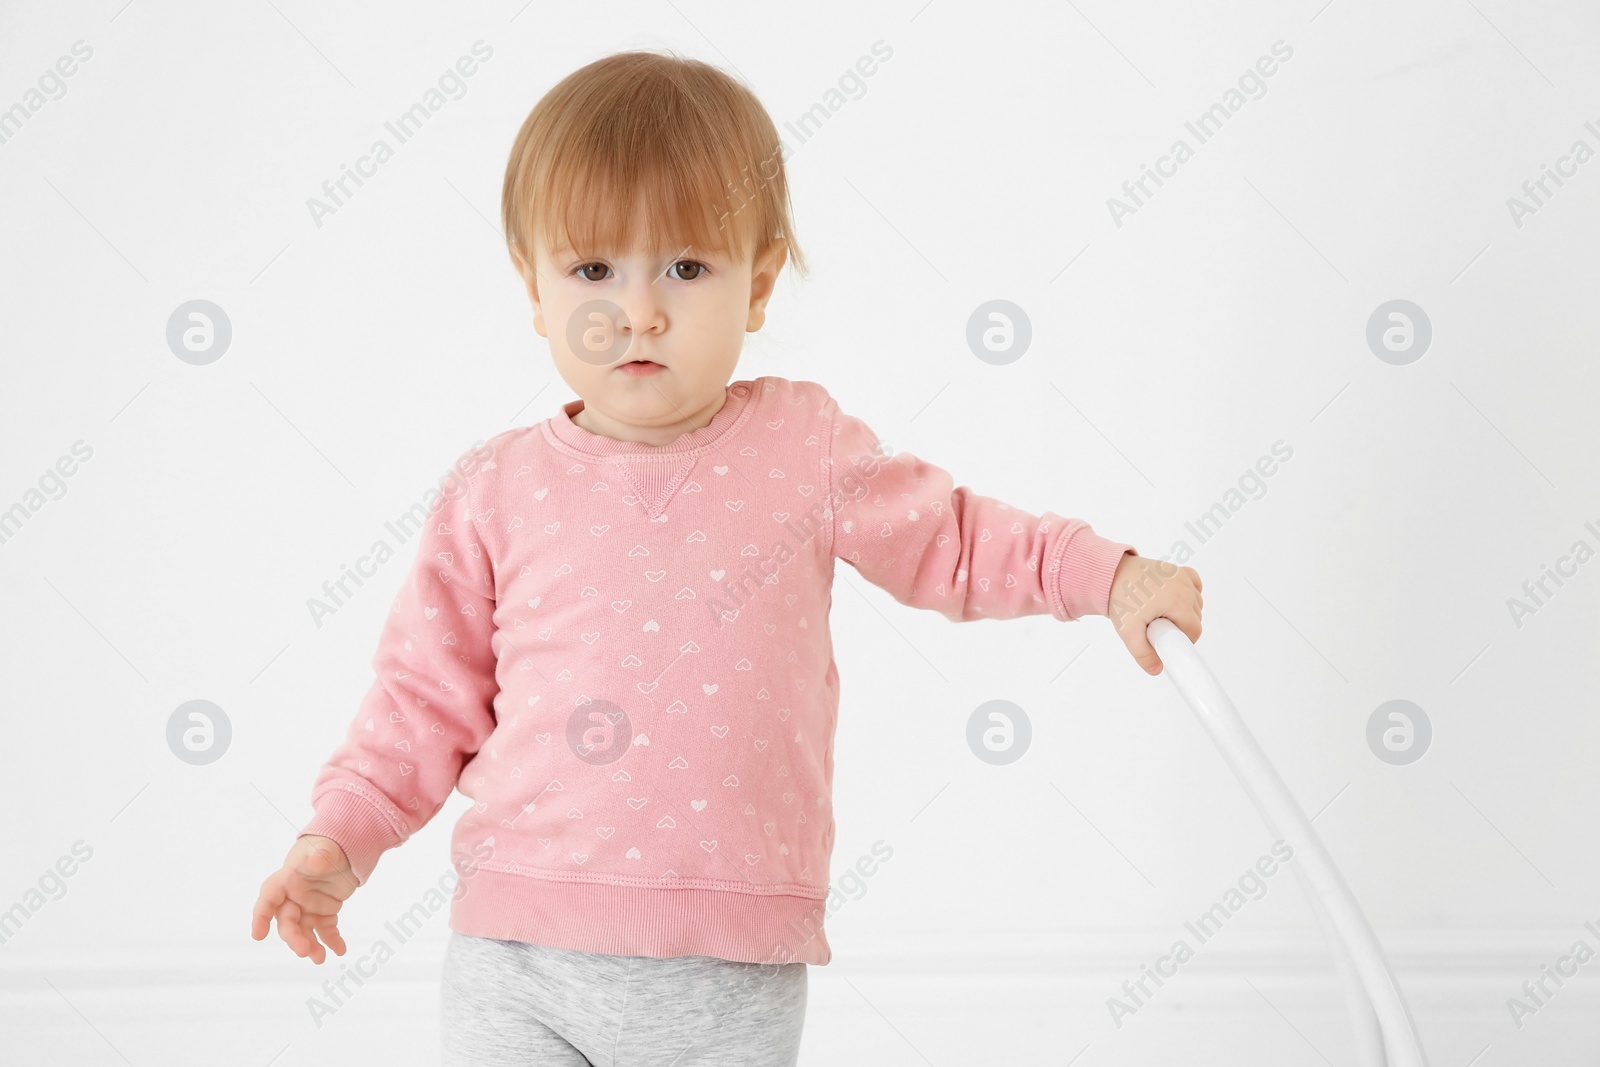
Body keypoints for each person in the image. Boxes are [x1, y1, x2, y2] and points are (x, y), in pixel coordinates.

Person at [251, 48, 1202, 1066]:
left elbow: (958, 543)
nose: (640, 309)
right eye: (592, 269)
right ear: (533, 289)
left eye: (687, 267)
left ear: (758, 281)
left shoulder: (804, 450)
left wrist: (1108, 572)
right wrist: (338, 837)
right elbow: (420, 698)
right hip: (517, 954)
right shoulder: (497, 488)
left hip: (731, 970)